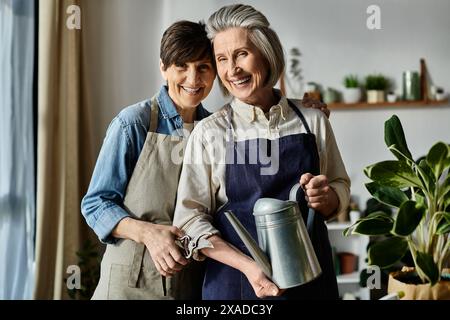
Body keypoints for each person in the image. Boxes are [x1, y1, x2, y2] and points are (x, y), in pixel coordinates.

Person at [173, 4, 350, 300]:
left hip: (311, 285)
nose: (233, 70)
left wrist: (328, 197)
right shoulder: (209, 133)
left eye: (242, 54)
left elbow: (339, 185)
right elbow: (189, 220)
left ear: (267, 53)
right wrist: (248, 267)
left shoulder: (312, 119)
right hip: (236, 287)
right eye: (222, 59)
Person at [81, 21, 216, 299]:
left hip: (188, 284)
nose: (193, 79)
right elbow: (96, 204)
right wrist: (147, 233)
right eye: (182, 66)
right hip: (128, 285)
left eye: (203, 67)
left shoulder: (215, 129)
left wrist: (303, 107)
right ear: (163, 68)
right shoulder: (133, 123)